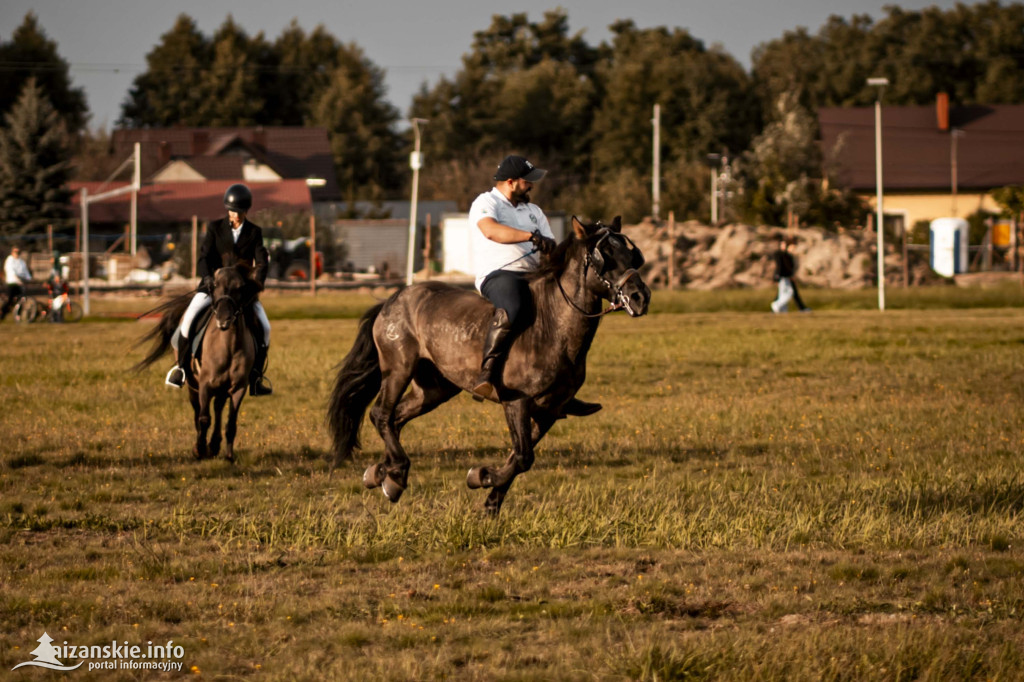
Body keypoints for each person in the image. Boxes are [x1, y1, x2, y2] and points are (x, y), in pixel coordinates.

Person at [467, 155, 601, 416]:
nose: (531, 186)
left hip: (534, 275)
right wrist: (530, 236)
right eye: (527, 182)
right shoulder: (485, 202)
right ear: (510, 182)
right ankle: (488, 373)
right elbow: (491, 231)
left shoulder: (534, 211)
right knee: (515, 305)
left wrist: (553, 248)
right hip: (498, 275)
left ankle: (559, 390)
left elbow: (550, 248)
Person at [165, 184, 273, 396]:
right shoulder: (215, 229)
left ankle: (256, 377)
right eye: (232, 211)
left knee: (266, 328)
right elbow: (204, 257)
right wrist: (207, 279)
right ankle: (181, 369)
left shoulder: (254, 232)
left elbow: (262, 263)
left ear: (246, 211)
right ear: (227, 210)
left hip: (241, 293)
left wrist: (254, 285)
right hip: (213, 287)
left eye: (240, 212)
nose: (236, 215)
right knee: (187, 321)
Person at [770, 236, 811, 313]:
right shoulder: (780, 254)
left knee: (784, 292)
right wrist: (777, 276)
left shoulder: (789, 255)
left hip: (787, 276)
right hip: (783, 277)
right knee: (788, 292)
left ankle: (782, 309)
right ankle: (777, 305)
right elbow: (780, 266)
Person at [1, 246, 32, 322]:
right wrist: (17, 277)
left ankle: (18, 314)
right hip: (12, 283)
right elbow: (10, 271)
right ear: (12, 252)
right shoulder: (10, 260)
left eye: (18, 252)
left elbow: (25, 272)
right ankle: (2, 313)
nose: (17, 254)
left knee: (22, 299)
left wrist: (29, 278)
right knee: (9, 299)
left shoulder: (21, 262)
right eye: (15, 252)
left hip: (20, 283)